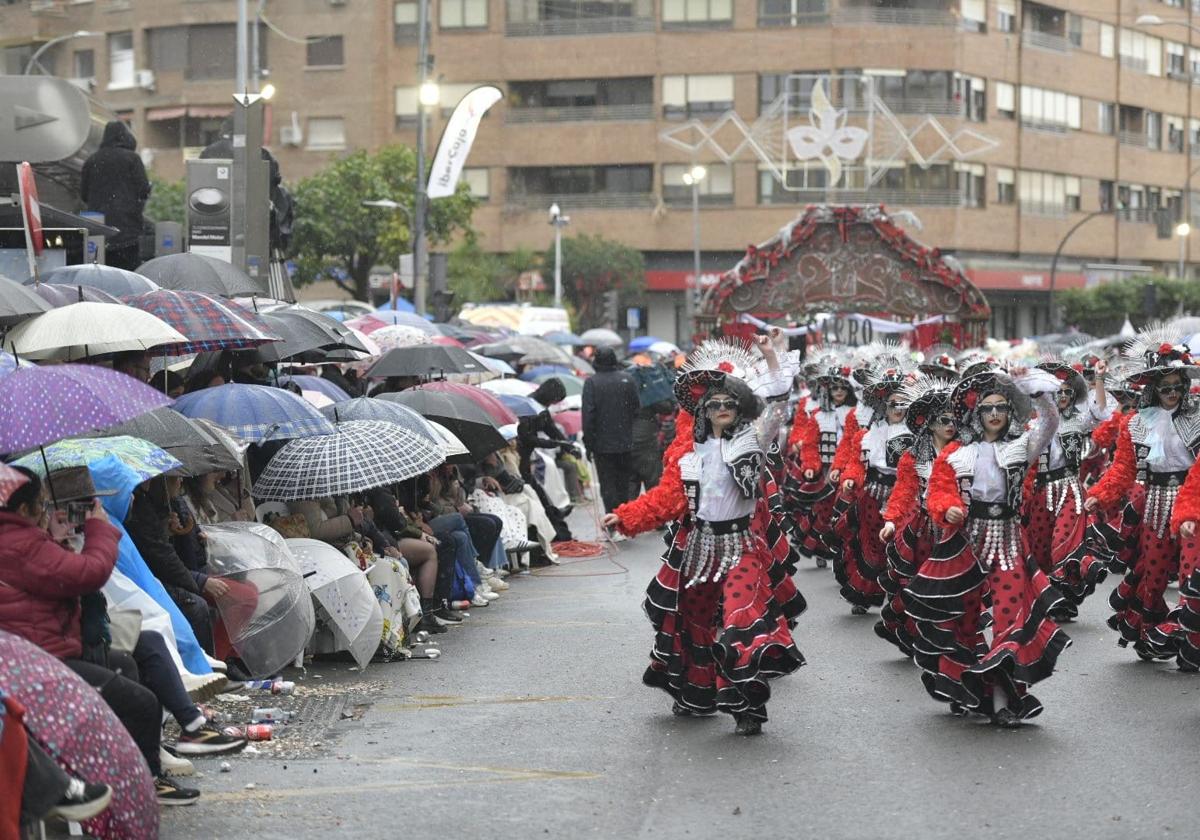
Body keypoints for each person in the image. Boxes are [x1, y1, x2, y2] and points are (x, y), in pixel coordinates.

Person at [603, 332, 806, 736]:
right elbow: (667, 500)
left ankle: (748, 706)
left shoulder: (752, 440)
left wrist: (770, 356)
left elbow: (778, 406)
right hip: (699, 550)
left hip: (743, 548)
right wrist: (625, 517)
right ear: (702, 410)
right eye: (713, 404)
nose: (721, 409)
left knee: (739, 623)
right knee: (694, 627)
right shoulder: (688, 456)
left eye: (729, 402)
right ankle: (697, 694)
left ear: (740, 407)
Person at [0, 467, 199, 804]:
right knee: (142, 702)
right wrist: (98, 530)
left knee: (127, 664)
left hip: (48, 649)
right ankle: (146, 781)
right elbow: (89, 574)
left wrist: (56, 540)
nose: (46, 510)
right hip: (43, 662)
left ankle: (131, 764)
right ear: (23, 510)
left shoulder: (26, 539)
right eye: (41, 504)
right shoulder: (20, 543)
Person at [905, 368, 1070, 726]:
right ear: (975, 415)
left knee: (1010, 617)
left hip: (1008, 539)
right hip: (966, 541)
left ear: (1010, 412)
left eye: (1000, 408)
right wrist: (946, 508)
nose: (994, 414)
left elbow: (1050, 423)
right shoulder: (955, 454)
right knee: (962, 620)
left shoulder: (1021, 446)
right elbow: (938, 492)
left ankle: (1003, 702)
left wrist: (1040, 395)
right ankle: (962, 685)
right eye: (986, 409)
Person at [1086, 326, 1200, 669]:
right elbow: (1122, 469)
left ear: (1185, 384)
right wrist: (1101, 496)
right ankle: (1154, 634)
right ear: (1152, 388)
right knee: (1153, 577)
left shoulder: (1198, 416)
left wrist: (1190, 509)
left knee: (1193, 575)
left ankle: (1191, 642)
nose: (1171, 392)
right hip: (1153, 503)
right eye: (1164, 387)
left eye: (1176, 385)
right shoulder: (1135, 423)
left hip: (1193, 501)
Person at [875, 374, 957, 657]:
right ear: (929, 422)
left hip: (957, 530)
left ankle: (949, 638)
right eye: (943, 419)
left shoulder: (968, 452)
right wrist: (890, 520)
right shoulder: (913, 456)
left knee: (955, 587)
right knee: (917, 585)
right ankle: (917, 635)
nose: (950, 425)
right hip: (923, 529)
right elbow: (903, 492)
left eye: (954, 419)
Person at [80, 120, 151, 271]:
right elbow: (143, 190)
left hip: (98, 229)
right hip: (127, 229)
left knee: (99, 272)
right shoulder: (132, 159)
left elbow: (84, 194)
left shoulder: (92, 160)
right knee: (128, 271)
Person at [582, 347, 641, 516]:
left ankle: (612, 519)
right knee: (623, 482)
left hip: (602, 444)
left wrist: (589, 443)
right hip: (625, 441)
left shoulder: (592, 382)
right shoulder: (628, 379)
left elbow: (588, 416)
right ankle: (624, 517)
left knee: (607, 483)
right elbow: (636, 409)